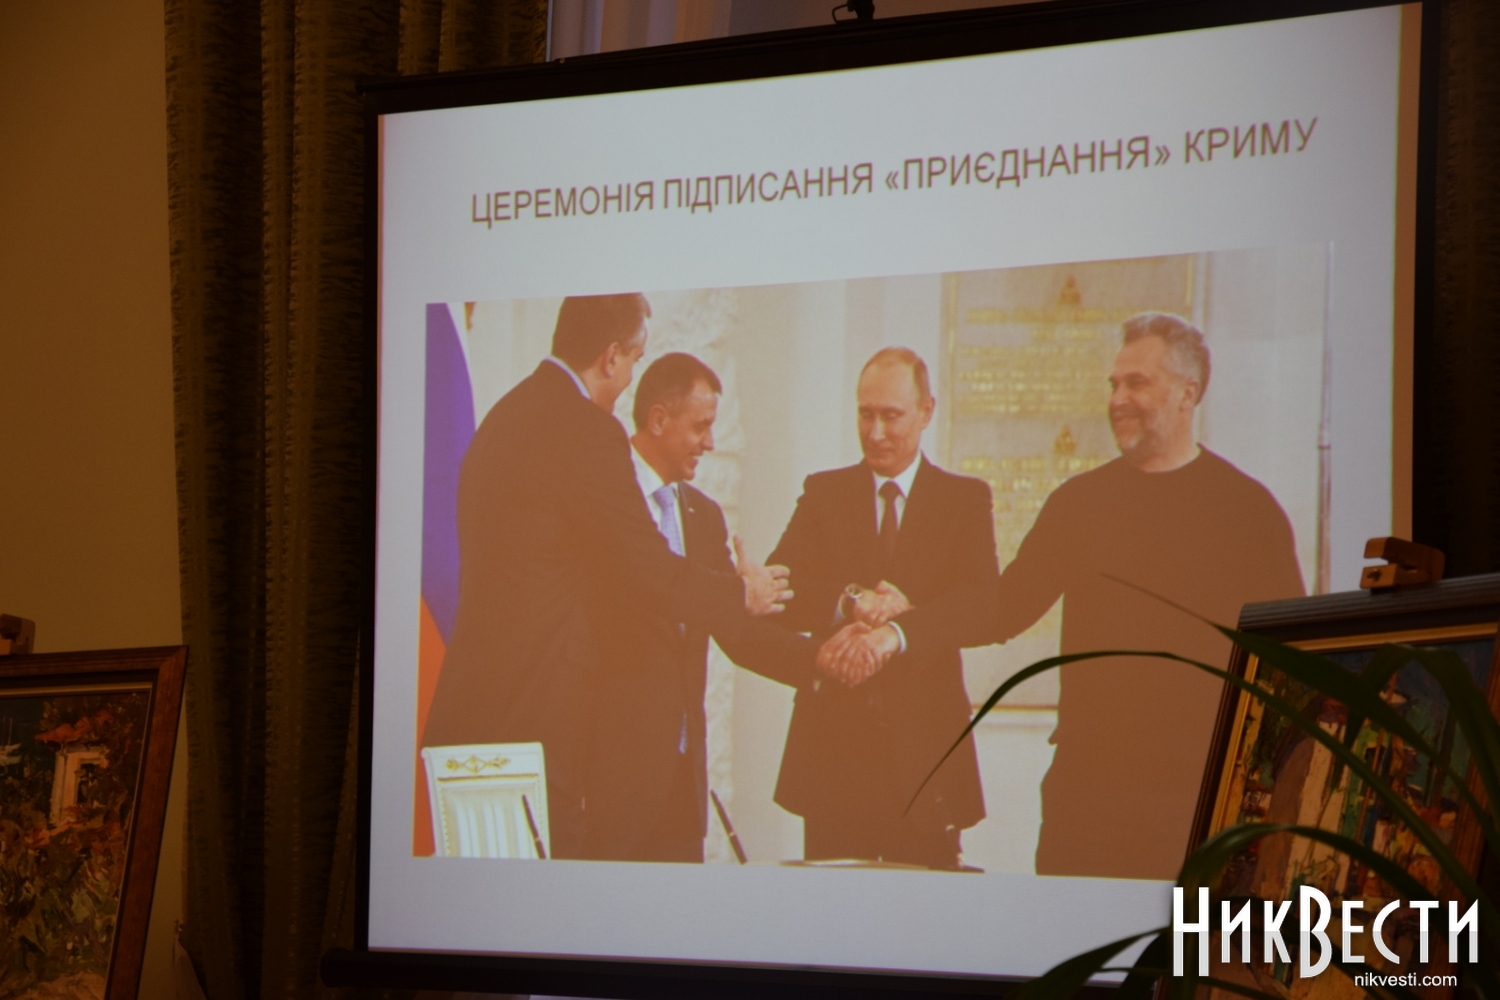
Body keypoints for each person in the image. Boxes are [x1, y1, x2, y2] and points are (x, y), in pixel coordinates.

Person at [876, 312, 1306, 880]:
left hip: (1202, 801)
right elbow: (1003, 608)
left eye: (1136, 383)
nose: (1117, 399)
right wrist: (909, 623)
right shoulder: (1078, 504)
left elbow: (1287, 665)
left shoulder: (1248, 511)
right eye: (1114, 384)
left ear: (1188, 393)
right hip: (1087, 803)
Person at [422, 294, 809, 860]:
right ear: (609, 357)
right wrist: (739, 592)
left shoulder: (503, 417)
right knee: (551, 911)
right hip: (534, 728)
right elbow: (649, 569)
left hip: (471, 721)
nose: (630, 381)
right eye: (633, 361)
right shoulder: (585, 429)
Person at [767, 347, 1000, 869]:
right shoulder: (824, 492)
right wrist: (851, 601)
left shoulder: (963, 500)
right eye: (865, 414)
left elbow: (982, 605)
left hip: (926, 759)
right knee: (834, 912)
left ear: (926, 411)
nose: (875, 433)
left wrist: (903, 626)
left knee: (922, 914)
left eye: (891, 416)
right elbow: (780, 587)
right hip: (833, 759)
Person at [587, 352, 809, 862]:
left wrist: (820, 661)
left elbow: (736, 631)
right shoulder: (606, 500)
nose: (710, 443)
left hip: (680, 792)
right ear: (658, 419)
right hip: (605, 783)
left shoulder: (703, 516)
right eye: (701, 427)